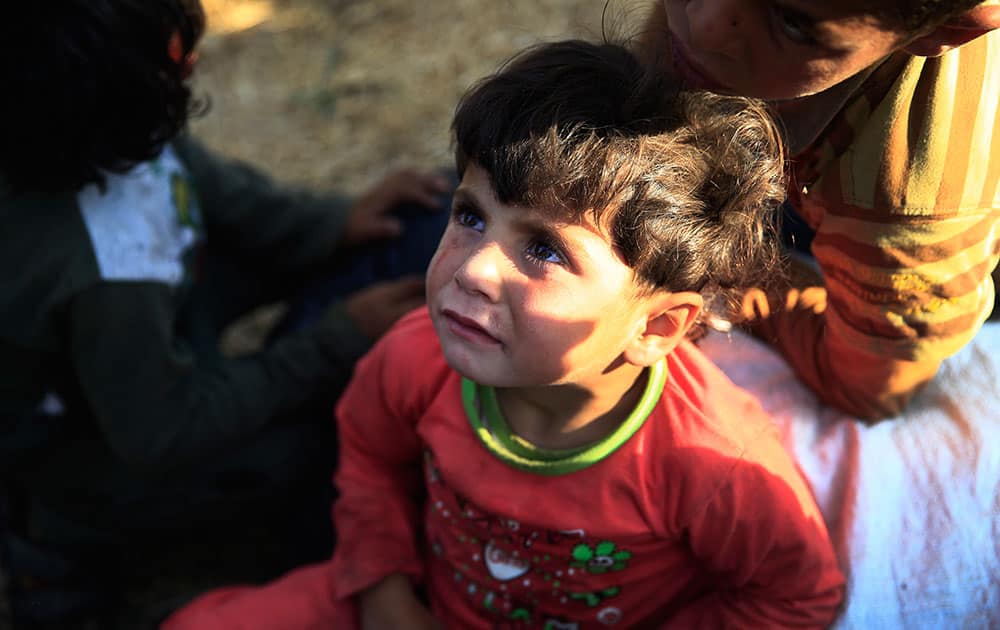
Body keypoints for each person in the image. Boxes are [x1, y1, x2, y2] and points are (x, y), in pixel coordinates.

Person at [162, 39, 845, 630]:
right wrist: (383, 592)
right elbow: (370, 453)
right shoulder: (414, 354)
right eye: (470, 215)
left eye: (544, 250)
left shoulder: (716, 467)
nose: (474, 267)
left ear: (657, 325)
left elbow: (793, 595)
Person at [0, 0, 449, 625]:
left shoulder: (90, 125)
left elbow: (200, 182)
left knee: (405, 225)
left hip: (142, 329)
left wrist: (334, 222)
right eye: (174, 55)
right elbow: (162, 431)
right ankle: (52, 540)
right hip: (95, 435)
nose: (194, 57)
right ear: (127, 93)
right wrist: (328, 343)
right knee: (306, 451)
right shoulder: (105, 271)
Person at [638, 0, 1000, 420]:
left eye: (793, 24)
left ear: (949, 31)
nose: (702, 26)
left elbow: (866, 387)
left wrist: (723, 280)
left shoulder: (909, 216)